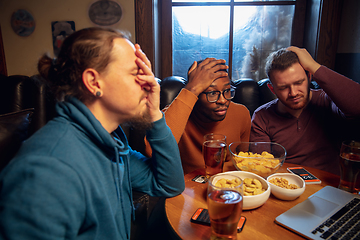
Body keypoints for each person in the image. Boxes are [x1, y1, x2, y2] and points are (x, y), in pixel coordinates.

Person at [0, 27, 185, 240]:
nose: (150, 83)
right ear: (94, 82)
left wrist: (154, 114)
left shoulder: (110, 143)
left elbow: (169, 184)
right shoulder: (48, 168)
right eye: (137, 73)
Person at [250, 46, 360, 175]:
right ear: (272, 89)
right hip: (285, 185)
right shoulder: (262, 117)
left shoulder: (327, 101)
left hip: (330, 188)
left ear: (309, 77)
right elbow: (261, 168)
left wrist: (314, 66)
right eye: (284, 87)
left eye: (298, 82)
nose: (293, 93)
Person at [145, 58, 251, 174]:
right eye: (212, 93)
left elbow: (243, 160)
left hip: (228, 184)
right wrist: (192, 89)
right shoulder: (177, 112)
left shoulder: (241, 113)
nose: (222, 100)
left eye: (227, 90)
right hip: (186, 188)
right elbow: (151, 151)